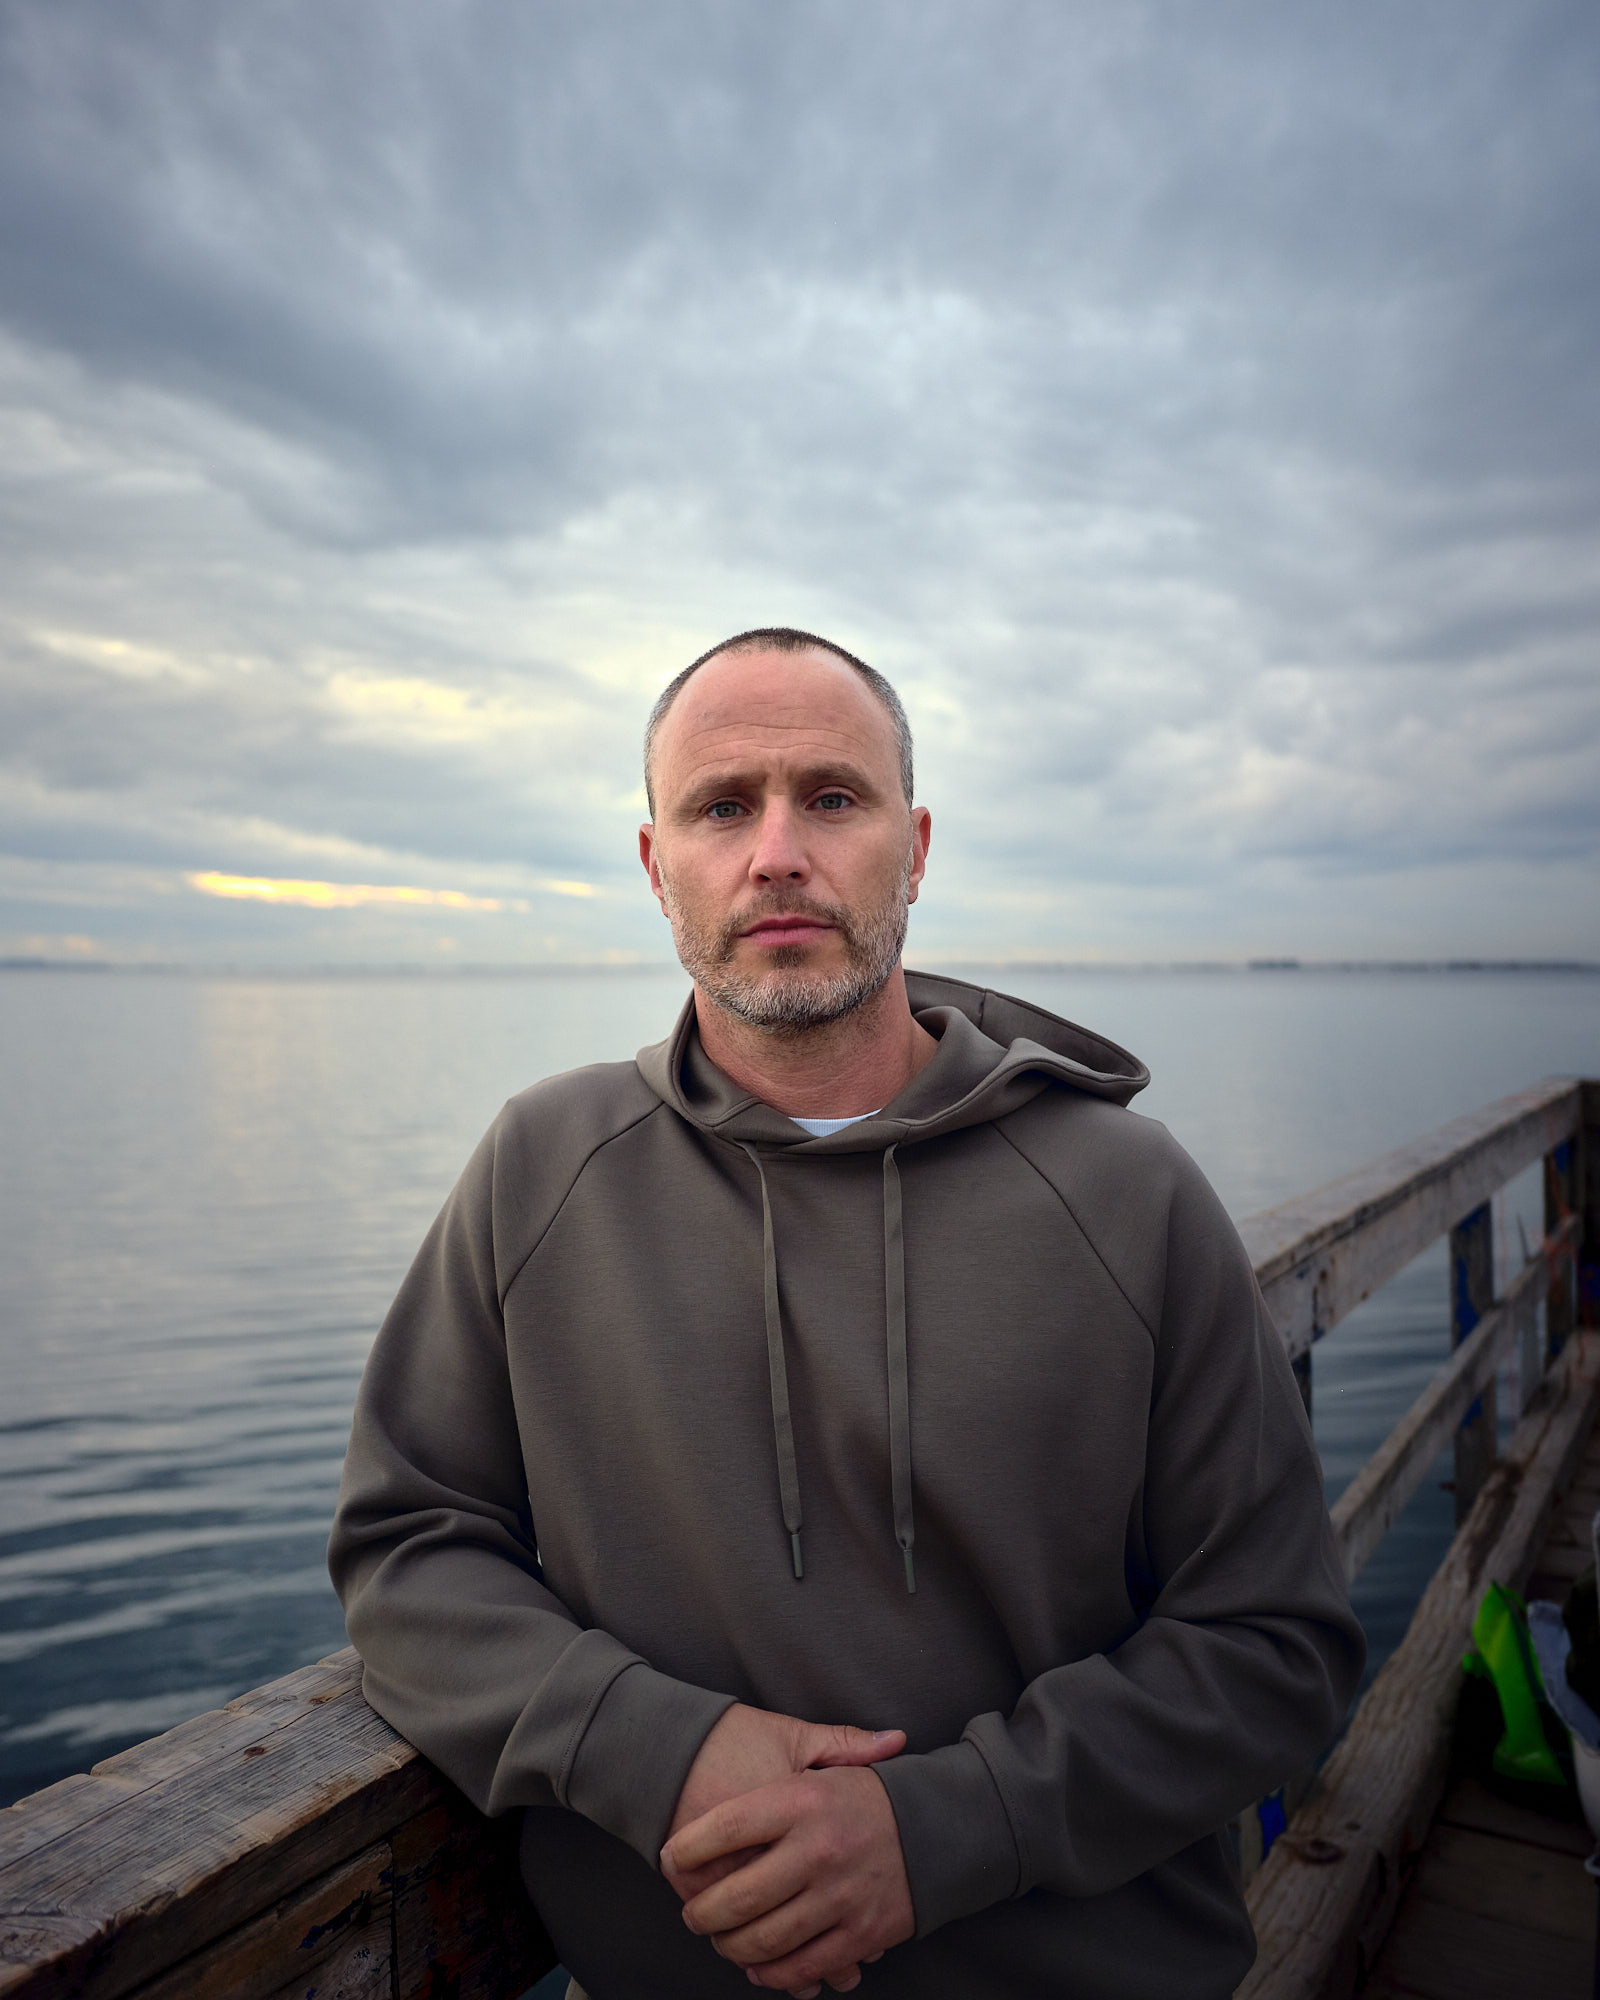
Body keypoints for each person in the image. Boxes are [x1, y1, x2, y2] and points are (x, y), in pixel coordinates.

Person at [328, 628, 1364, 2000]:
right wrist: (661, 1747)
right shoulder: (542, 1167)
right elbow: (409, 1548)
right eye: (720, 807)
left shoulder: (1129, 1192)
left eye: (830, 797)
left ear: (915, 845)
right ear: (656, 866)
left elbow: (1275, 1644)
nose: (775, 854)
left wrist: (943, 1829)